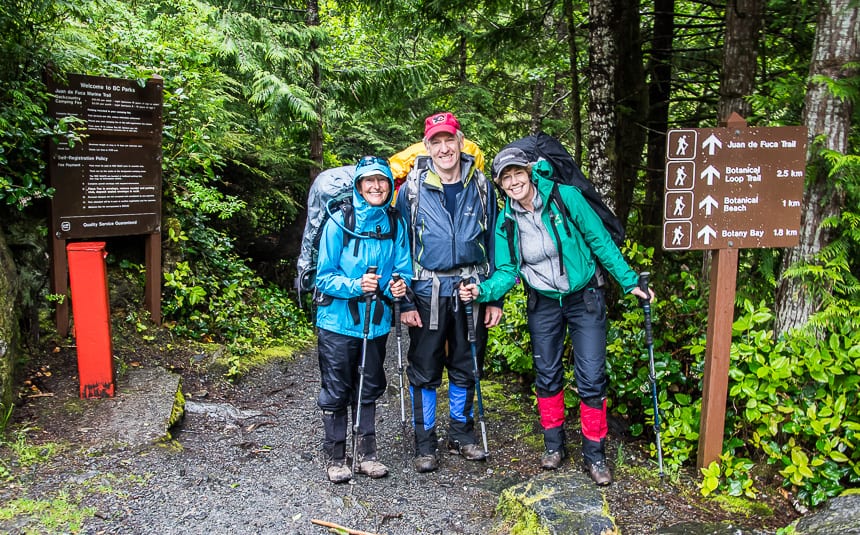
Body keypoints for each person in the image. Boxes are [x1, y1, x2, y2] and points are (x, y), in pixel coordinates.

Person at [459, 147, 654, 486]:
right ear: (500, 184)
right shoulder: (506, 220)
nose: (513, 181)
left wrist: (629, 281)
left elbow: (600, 241)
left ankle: (595, 455)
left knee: (591, 376)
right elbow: (507, 270)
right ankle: (554, 446)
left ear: (530, 172)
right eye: (506, 177)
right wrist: (483, 291)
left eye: (517, 172)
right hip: (544, 301)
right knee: (546, 373)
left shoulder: (566, 198)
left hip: (584, 296)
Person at [397, 112, 503, 473]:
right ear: (427, 147)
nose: (444, 148)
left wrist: (493, 297)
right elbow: (401, 246)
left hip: (471, 290)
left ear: (460, 142)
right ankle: (425, 442)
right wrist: (405, 301)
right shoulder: (411, 189)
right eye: (436, 142)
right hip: (427, 290)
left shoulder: (482, 186)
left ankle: (461, 433)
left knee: (467, 362)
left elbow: (493, 243)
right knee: (424, 368)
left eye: (449, 140)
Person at [314, 156, 412, 483]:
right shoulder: (339, 222)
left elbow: (403, 266)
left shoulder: (395, 223)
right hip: (337, 322)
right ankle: (336, 456)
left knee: (369, 385)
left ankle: (367, 455)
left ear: (389, 184)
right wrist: (356, 285)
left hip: (377, 320)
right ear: (358, 186)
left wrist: (399, 284)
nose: (375, 186)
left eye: (381, 180)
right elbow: (323, 277)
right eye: (368, 181)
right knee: (338, 387)